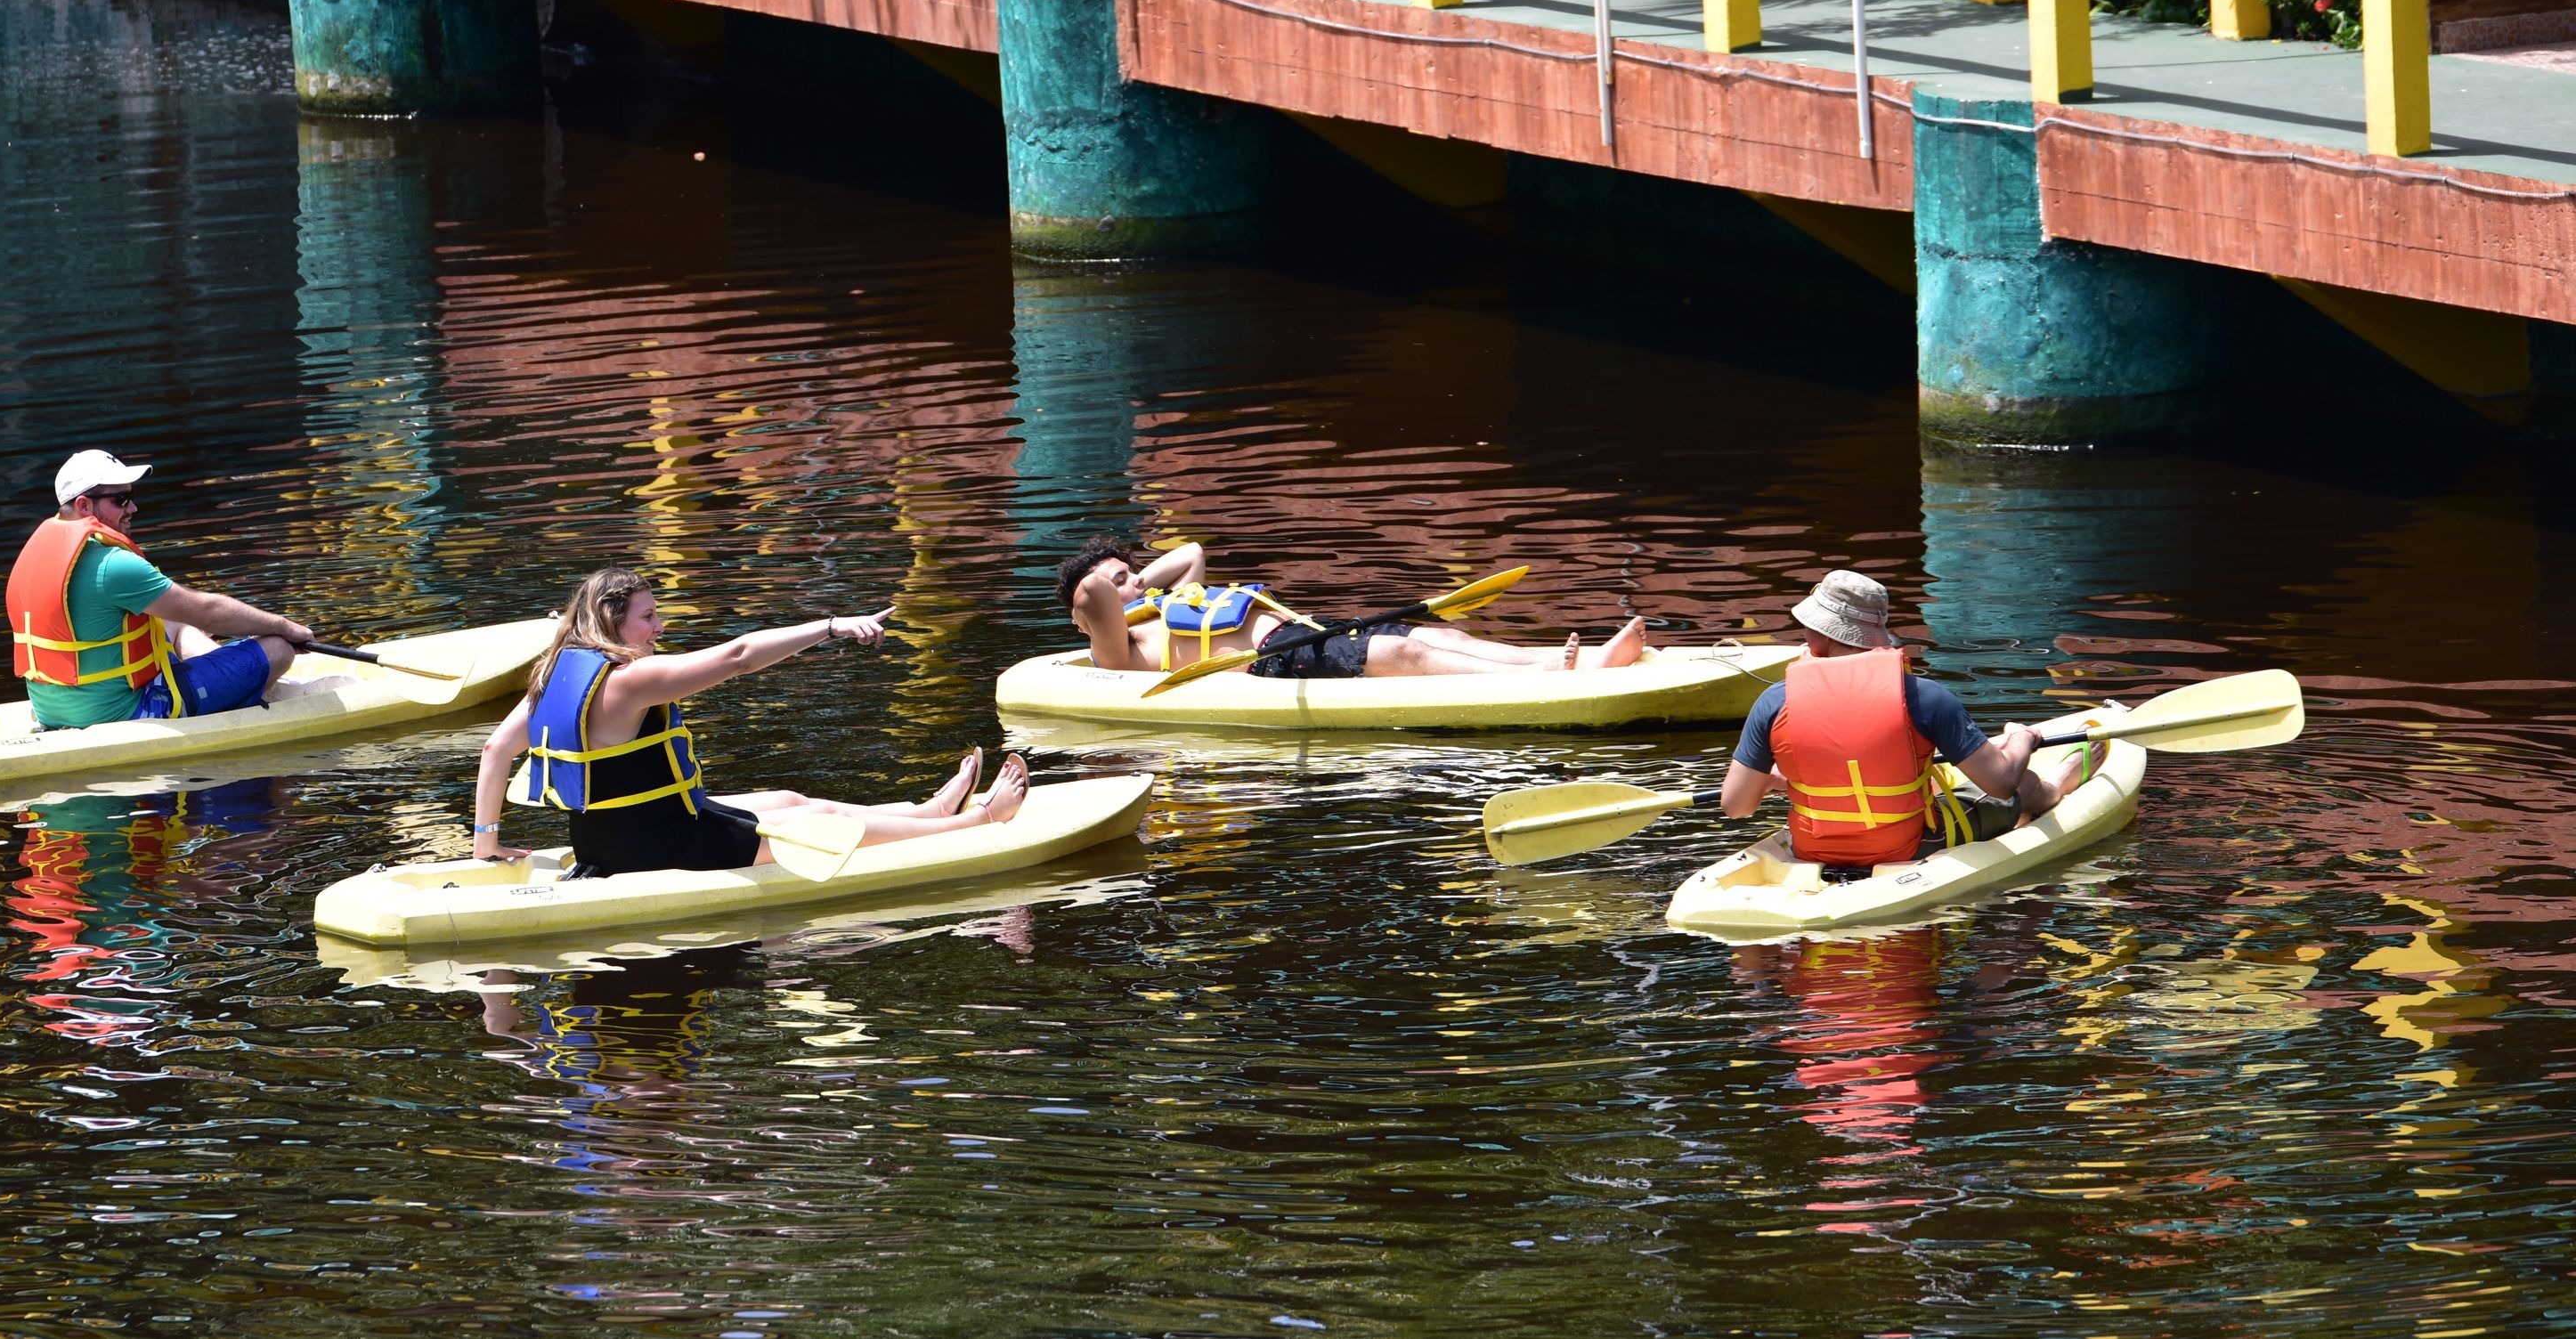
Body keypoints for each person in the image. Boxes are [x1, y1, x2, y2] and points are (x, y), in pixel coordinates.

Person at [472, 566, 1028, 876]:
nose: (659, 626)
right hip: (660, 846)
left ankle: (926, 810)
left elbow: (496, 752)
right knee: (809, 830)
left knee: (789, 801)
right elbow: (737, 656)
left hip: (606, 840)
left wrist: (487, 846)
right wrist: (830, 626)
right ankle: (977, 823)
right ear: (614, 622)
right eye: (649, 617)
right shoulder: (630, 680)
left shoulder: (553, 677)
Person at [1717, 571, 2091, 880]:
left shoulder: (1774, 701)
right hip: (1910, 847)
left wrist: (1774, 781)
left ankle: (2050, 786)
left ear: (1824, 635)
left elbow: (1736, 807)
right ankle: (2053, 790)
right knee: (2021, 784)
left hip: (1813, 849)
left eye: (1808, 625)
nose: (1803, 634)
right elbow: (2001, 781)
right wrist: (2023, 737)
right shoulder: (1925, 696)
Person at [7, 450, 316, 729]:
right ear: (84, 505)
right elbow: (206, 612)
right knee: (278, 647)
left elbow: (186, 615)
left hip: (54, 711)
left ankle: (234, 681)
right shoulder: (113, 565)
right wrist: (286, 627)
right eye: (121, 500)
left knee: (175, 621)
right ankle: (239, 684)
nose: (133, 508)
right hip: (123, 713)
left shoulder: (36, 556)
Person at [1055, 537, 1646, 680]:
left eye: (1133, 575)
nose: (1133, 585)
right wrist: (1117, 581)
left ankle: (1584, 656)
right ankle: (1553, 677)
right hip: (1274, 660)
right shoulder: (1115, 647)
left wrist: (1135, 578)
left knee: (1442, 635)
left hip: (1303, 632)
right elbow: (1091, 595)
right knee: (1406, 650)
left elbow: (1191, 552)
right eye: (1122, 583)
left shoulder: (1156, 605)